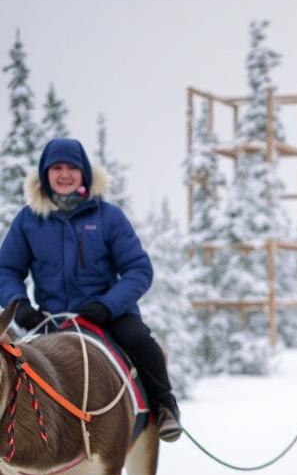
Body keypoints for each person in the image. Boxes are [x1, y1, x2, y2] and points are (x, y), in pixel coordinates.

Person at [0, 138, 182, 441]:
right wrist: (21, 306)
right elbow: (6, 270)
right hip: (51, 320)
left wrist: (107, 306)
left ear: (84, 173)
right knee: (12, 362)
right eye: (56, 168)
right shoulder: (28, 221)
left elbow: (138, 270)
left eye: (72, 167)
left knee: (141, 342)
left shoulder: (108, 216)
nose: (64, 174)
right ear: (45, 174)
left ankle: (165, 407)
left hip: (108, 316)